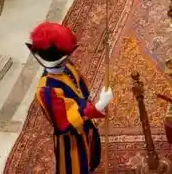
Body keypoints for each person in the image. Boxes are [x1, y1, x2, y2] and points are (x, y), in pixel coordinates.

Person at [28, 22, 113, 174]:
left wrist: (90, 99)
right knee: (74, 167)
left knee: (90, 158)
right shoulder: (47, 90)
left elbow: (79, 87)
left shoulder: (67, 67)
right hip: (70, 138)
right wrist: (99, 105)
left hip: (85, 128)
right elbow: (66, 122)